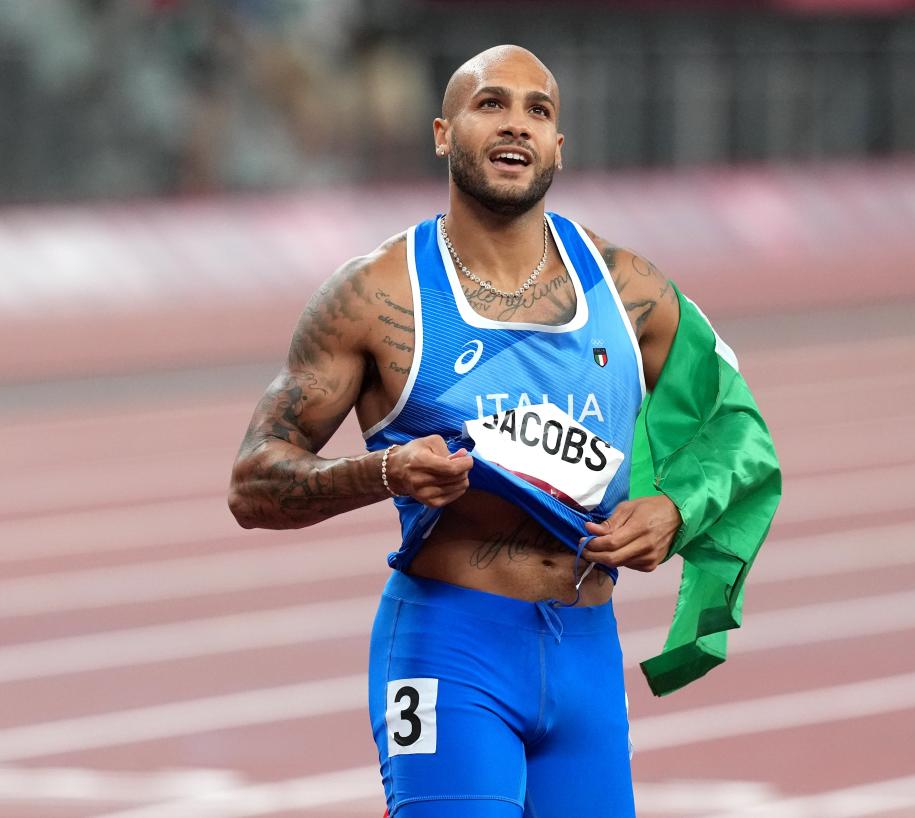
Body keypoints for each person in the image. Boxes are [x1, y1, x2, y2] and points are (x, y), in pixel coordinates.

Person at [229, 44, 774, 818]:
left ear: (559, 146)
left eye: (538, 110)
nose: (515, 124)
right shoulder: (376, 297)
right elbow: (252, 481)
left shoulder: (631, 292)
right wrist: (381, 473)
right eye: (491, 104)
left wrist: (676, 508)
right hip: (450, 647)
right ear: (444, 133)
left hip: (586, 651)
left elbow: (734, 428)